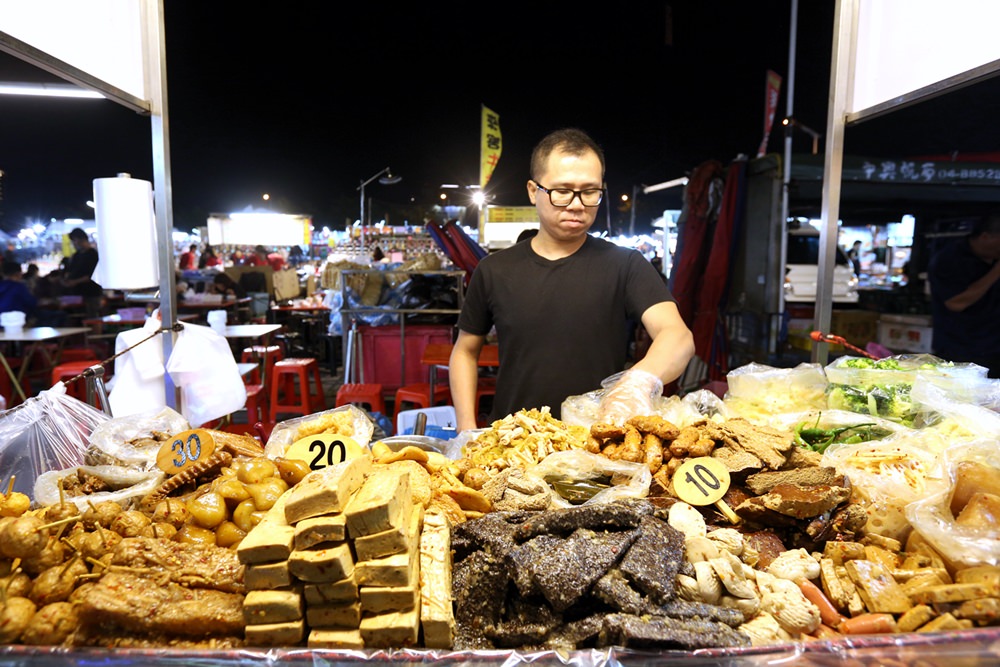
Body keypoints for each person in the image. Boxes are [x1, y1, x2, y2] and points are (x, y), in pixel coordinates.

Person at [449, 127, 695, 431]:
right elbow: (464, 351)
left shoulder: (625, 264)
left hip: (596, 442)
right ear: (532, 190)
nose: (577, 203)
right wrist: (466, 427)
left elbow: (678, 337)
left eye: (590, 191)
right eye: (562, 191)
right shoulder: (494, 270)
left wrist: (638, 380)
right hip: (514, 442)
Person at [927, 214, 1000, 377]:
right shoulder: (949, 259)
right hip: (962, 350)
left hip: (995, 347)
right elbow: (956, 303)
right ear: (986, 236)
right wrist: (996, 272)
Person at [63, 227, 103, 319]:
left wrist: (75, 282)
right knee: (79, 318)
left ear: (82, 239)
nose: (74, 244)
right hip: (77, 294)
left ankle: (95, 334)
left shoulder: (93, 254)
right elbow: (70, 271)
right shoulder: (76, 255)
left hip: (92, 293)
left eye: (75, 241)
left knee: (93, 318)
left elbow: (92, 275)